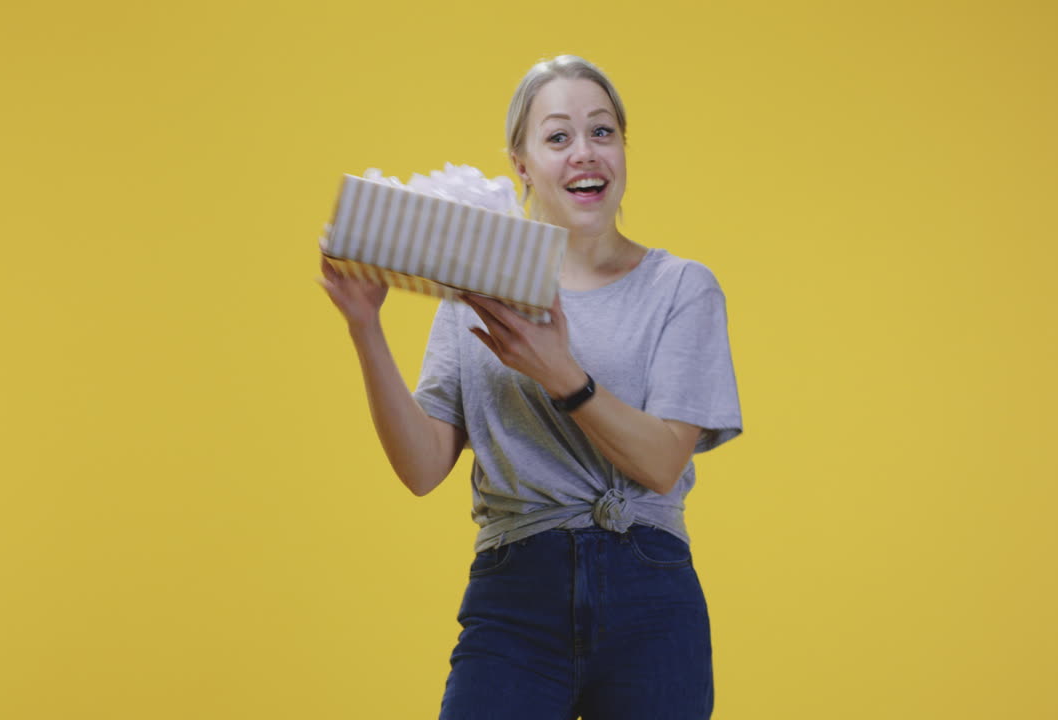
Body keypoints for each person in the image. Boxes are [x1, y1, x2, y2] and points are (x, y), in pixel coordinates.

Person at [318, 54, 742, 720]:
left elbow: (663, 462)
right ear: (520, 163)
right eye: (557, 137)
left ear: (623, 150)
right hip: (514, 596)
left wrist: (558, 370)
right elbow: (423, 467)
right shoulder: (471, 296)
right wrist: (366, 327)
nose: (584, 153)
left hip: (651, 600)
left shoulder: (681, 288)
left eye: (602, 132)